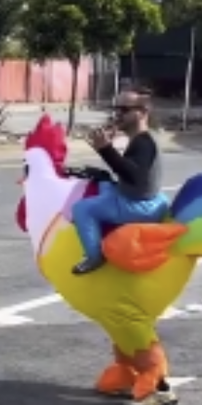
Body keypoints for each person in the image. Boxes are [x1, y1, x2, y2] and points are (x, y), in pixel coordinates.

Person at [72, 88, 169, 275]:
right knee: (103, 185)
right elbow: (129, 172)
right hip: (142, 198)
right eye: (116, 109)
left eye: (124, 110)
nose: (118, 114)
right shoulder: (141, 139)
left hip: (139, 205)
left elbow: (135, 175)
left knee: (81, 208)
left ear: (142, 112)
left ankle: (94, 257)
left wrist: (106, 150)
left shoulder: (144, 142)